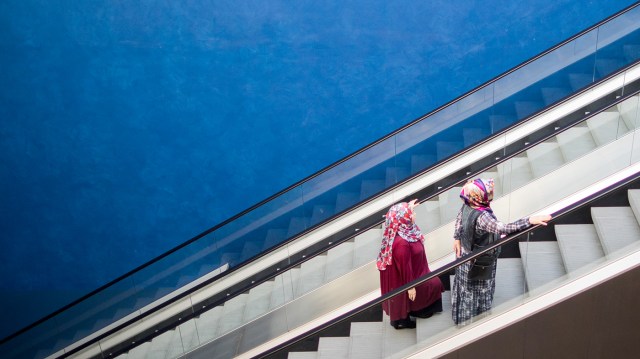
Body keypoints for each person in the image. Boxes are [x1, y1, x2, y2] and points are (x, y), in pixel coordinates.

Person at [451, 178, 552, 325]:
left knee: (465, 289)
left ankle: (463, 319)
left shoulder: (468, 204)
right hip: (479, 259)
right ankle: (477, 322)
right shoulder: (483, 217)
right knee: (480, 288)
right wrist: (530, 220)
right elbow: (503, 228)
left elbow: (460, 218)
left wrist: (456, 238)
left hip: (465, 255)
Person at [377, 199, 444, 329]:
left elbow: (399, 215)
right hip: (410, 278)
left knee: (433, 282)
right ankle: (417, 312)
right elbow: (404, 267)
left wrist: (409, 206)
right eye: (411, 213)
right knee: (434, 284)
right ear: (403, 218)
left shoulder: (406, 229)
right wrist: (411, 287)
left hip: (417, 272)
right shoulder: (401, 243)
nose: (414, 215)